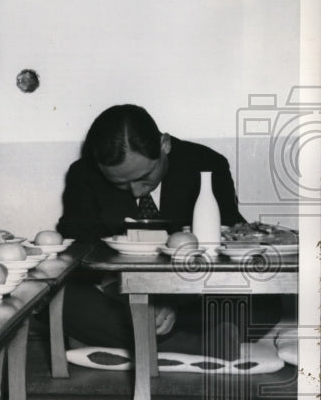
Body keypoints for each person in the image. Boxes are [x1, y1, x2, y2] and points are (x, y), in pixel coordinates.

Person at [56, 104, 274, 354]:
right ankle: (193, 343)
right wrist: (130, 295)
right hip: (118, 293)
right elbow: (77, 247)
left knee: (266, 298)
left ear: (165, 145)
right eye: (119, 184)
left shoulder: (206, 164)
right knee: (57, 299)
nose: (137, 192)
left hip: (192, 294)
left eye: (144, 177)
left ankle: (129, 338)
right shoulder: (83, 174)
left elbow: (228, 241)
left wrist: (173, 299)